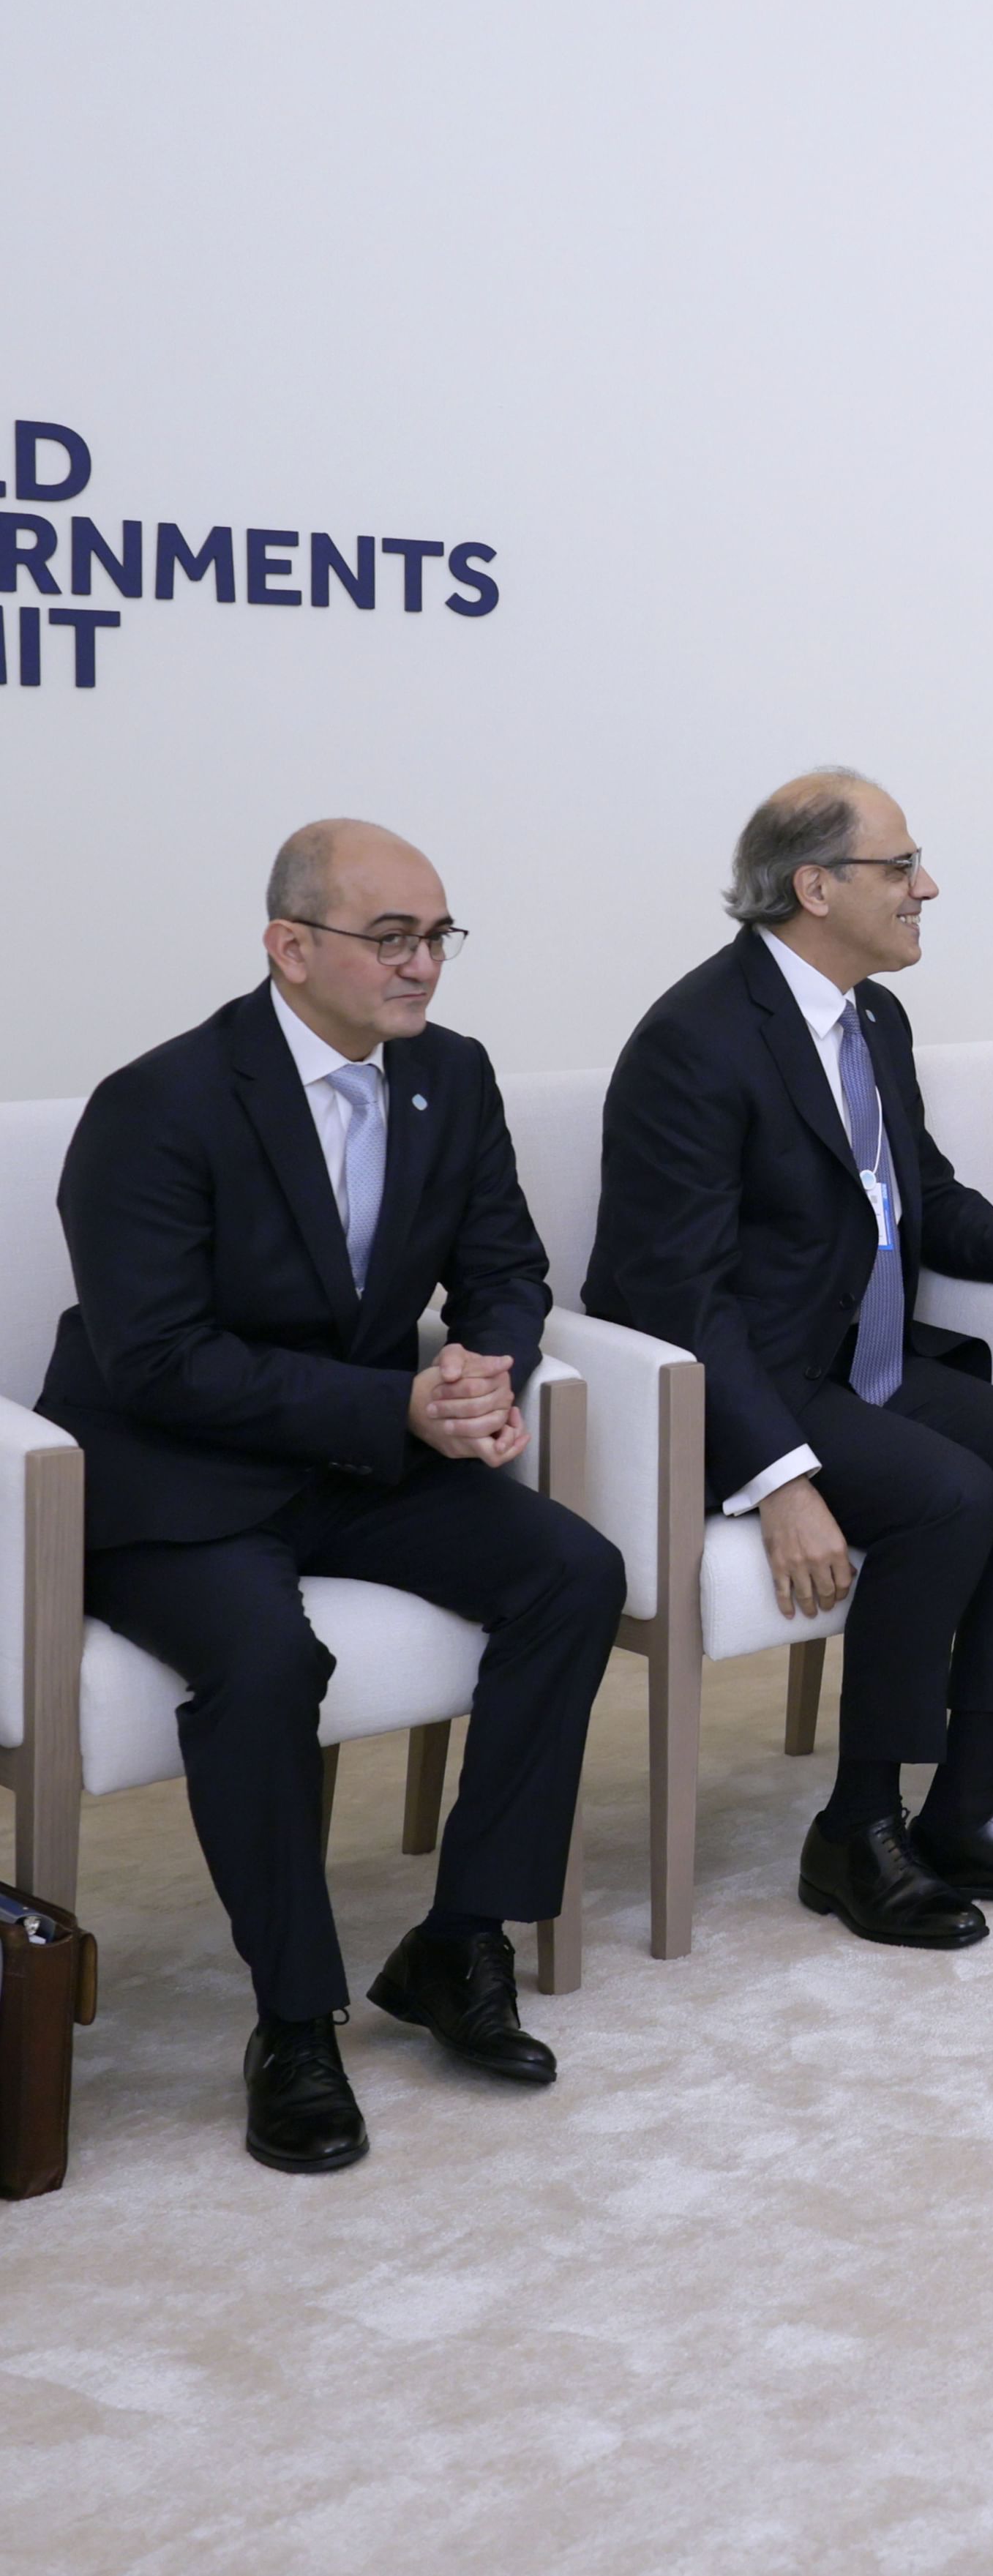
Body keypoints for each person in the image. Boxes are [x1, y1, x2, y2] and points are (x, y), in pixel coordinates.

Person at [40, 822, 622, 2174]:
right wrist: (397, 1407)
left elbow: (507, 1266)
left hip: (359, 1451)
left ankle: (459, 1941)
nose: (423, 965)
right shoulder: (160, 1103)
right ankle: (293, 2019)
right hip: (174, 1471)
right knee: (264, 1655)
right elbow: (157, 1358)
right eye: (391, 938)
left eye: (436, 936)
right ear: (288, 946)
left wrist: (488, 1367)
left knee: (572, 1574)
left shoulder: (450, 1077)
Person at [588, 770, 993, 1948]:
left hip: (854, 1356)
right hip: (744, 1381)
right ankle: (855, 1826)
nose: (925, 887)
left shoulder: (870, 1017)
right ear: (815, 886)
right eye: (901, 867)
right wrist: (778, 1473)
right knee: (950, 1495)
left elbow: (920, 1192)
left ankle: (969, 1808)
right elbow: (674, 1294)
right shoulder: (694, 1041)